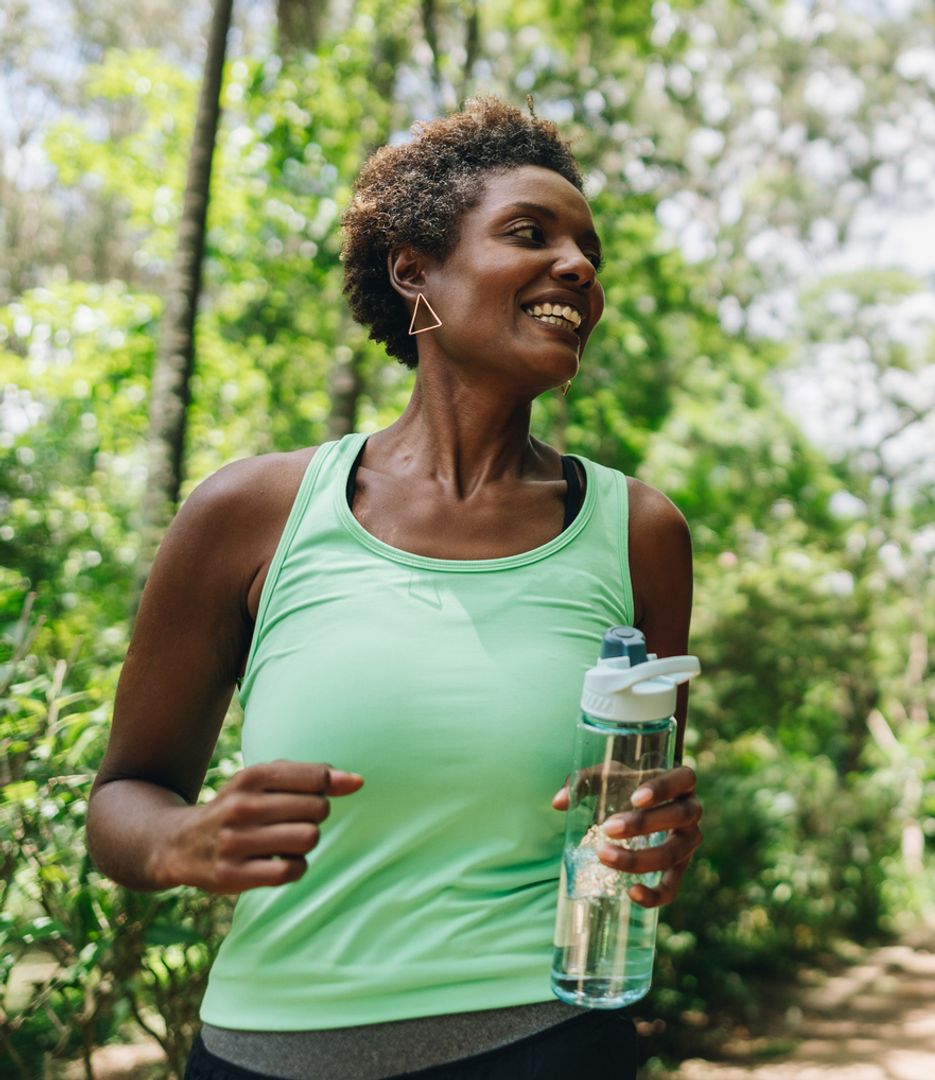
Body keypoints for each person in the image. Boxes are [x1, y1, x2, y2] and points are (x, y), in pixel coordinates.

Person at [87, 99, 700, 1079]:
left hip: (545, 1045)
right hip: (262, 1054)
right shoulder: (250, 512)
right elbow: (126, 795)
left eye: (589, 250)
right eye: (530, 234)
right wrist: (182, 842)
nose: (580, 268)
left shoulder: (639, 534)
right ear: (415, 271)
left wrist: (663, 833)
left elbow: (636, 817)